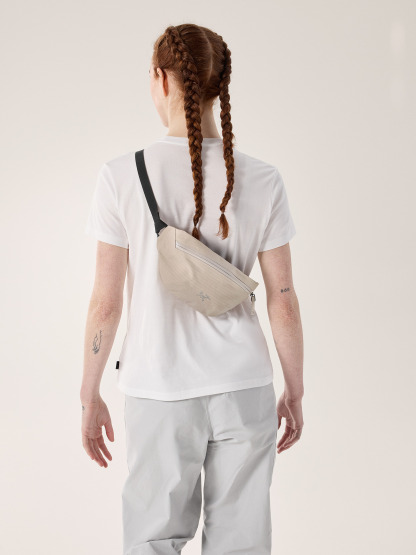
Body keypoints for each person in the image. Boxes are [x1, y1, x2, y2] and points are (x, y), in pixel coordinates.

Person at [80, 23, 304, 555]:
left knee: (153, 543)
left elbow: (105, 305)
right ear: (219, 84)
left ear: (161, 79)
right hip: (244, 387)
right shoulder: (264, 179)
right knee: (242, 545)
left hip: (158, 387)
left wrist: (88, 394)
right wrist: (294, 390)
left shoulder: (120, 176)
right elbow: (284, 301)